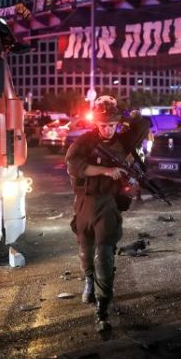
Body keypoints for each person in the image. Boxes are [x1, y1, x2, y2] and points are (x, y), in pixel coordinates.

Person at [65, 96, 150, 332]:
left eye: (112, 124)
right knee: (86, 248)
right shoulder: (85, 142)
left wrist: (126, 115)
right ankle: (89, 281)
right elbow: (74, 165)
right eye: (103, 125)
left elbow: (143, 125)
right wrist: (106, 170)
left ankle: (103, 303)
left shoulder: (123, 141)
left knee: (104, 252)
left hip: (108, 203)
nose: (108, 129)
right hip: (85, 201)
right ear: (96, 123)